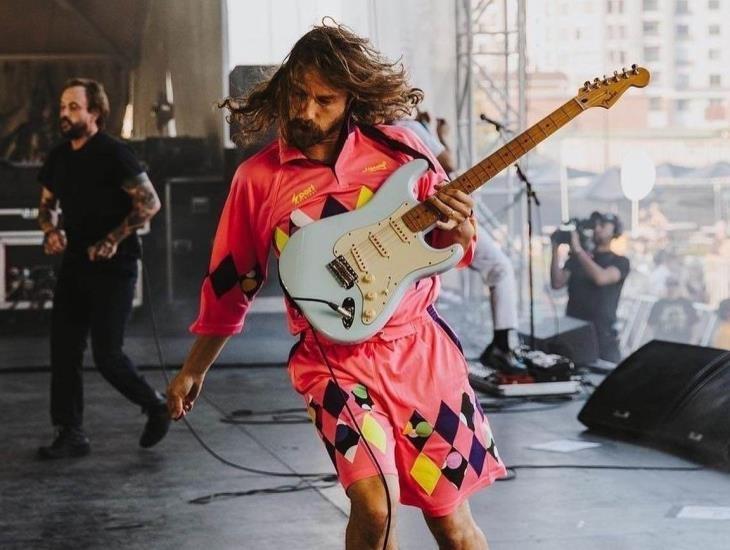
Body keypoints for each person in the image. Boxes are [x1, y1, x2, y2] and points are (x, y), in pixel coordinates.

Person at [167, 21, 506, 550]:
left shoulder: (403, 151)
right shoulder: (259, 179)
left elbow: (446, 246)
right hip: (333, 362)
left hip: (420, 355)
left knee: (452, 525)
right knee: (376, 507)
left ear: (353, 99)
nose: (305, 111)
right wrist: (194, 368)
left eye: (324, 100)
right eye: (298, 95)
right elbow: (235, 280)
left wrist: (461, 228)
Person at [36, 78, 168, 459]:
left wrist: (113, 238)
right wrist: (50, 231)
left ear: (95, 112)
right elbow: (46, 205)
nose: (65, 114)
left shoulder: (114, 153)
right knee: (63, 350)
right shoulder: (59, 157)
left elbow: (150, 203)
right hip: (76, 265)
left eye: (74, 107)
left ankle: (155, 405)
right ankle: (70, 432)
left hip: (116, 267)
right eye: (63, 107)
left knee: (107, 354)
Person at [550, 212, 630, 363]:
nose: (597, 229)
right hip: (574, 333)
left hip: (603, 336)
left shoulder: (620, 261)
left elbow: (601, 278)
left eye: (603, 225)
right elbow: (557, 283)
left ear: (615, 231)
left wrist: (579, 250)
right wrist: (555, 248)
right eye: (595, 225)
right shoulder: (577, 259)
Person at [645, 276, 699, 344]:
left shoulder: (687, 304)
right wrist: (653, 340)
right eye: (669, 285)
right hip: (663, 342)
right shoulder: (659, 304)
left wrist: (693, 340)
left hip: (683, 342)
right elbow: (650, 324)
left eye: (674, 285)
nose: (672, 288)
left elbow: (695, 324)